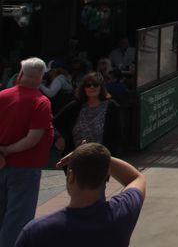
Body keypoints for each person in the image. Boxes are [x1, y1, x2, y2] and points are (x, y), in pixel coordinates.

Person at [15, 142, 146, 247]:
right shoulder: (121, 213)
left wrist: (87, 157)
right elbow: (136, 178)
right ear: (105, 176)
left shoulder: (36, 232)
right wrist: (100, 159)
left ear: (70, 176)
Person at [0, 58, 53, 247]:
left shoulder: (2, 96)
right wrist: (7, 150)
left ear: (20, 74)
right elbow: (33, 139)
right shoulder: (41, 102)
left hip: (2, 165)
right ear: (41, 78)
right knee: (18, 219)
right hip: (25, 167)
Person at [53, 72, 124, 157]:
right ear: (83, 88)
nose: (92, 87)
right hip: (75, 157)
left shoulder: (112, 107)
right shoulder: (75, 106)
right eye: (88, 85)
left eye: (95, 84)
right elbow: (54, 123)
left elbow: (118, 135)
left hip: (102, 158)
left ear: (101, 87)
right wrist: (59, 137)